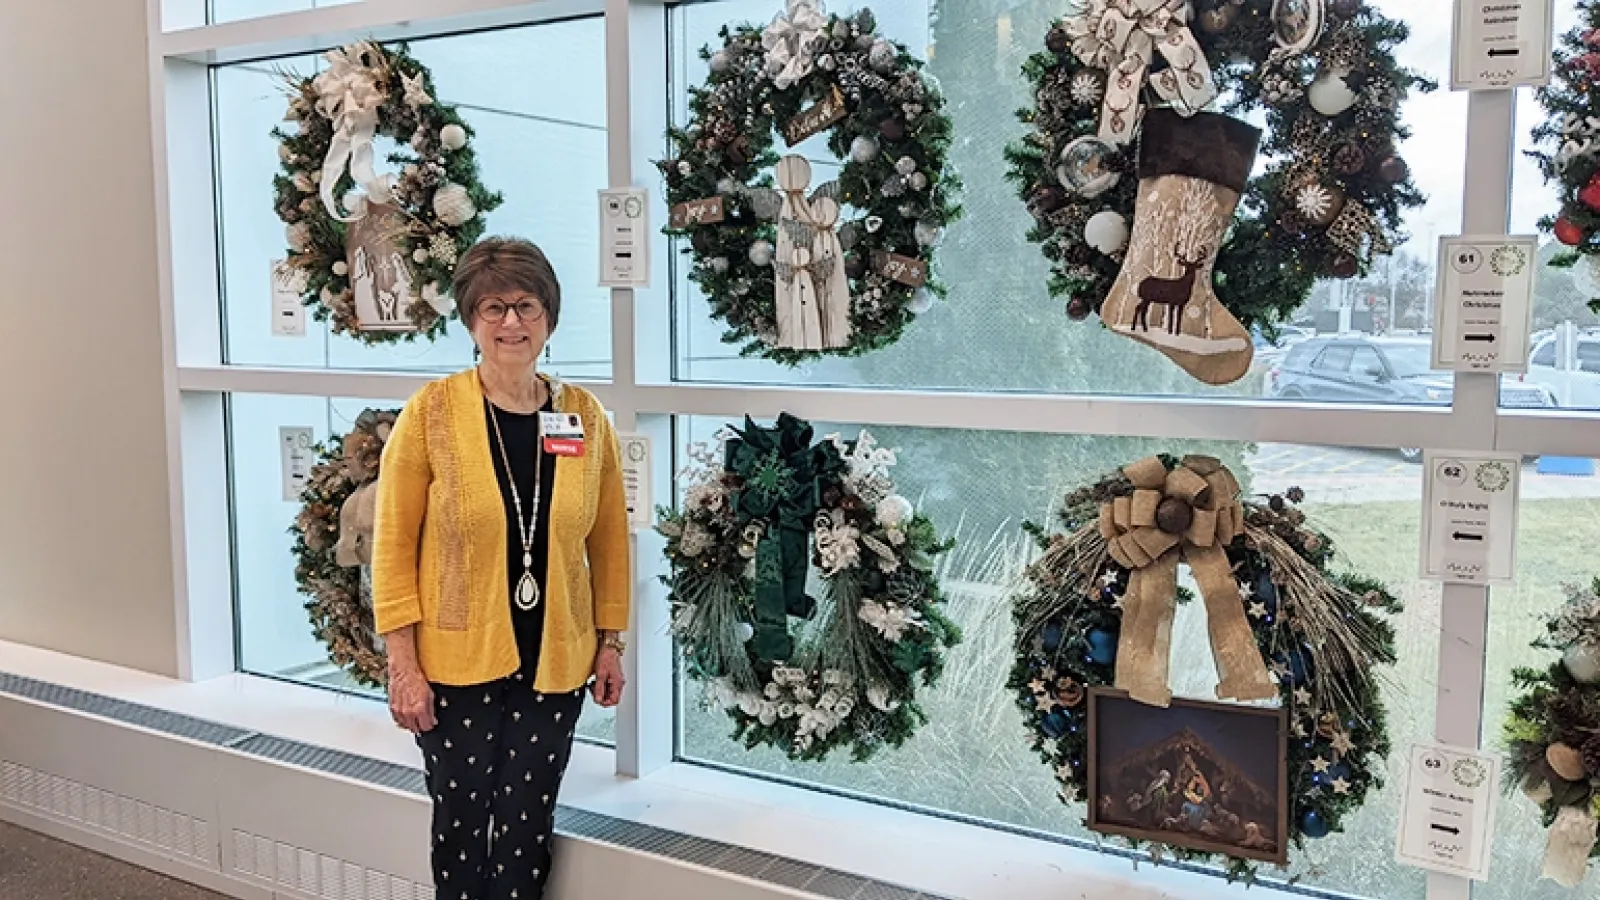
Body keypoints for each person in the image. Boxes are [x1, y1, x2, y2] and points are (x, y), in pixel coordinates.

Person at [372, 236, 631, 900]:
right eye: (494, 307)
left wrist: (610, 641)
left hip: (556, 664)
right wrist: (403, 664)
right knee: (462, 825)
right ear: (470, 319)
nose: (512, 322)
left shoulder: (583, 416)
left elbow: (607, 541)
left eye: (526, 305)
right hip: (453, 667)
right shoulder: (432, 413)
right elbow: (393, 546)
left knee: (527, 825)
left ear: (548, 315)